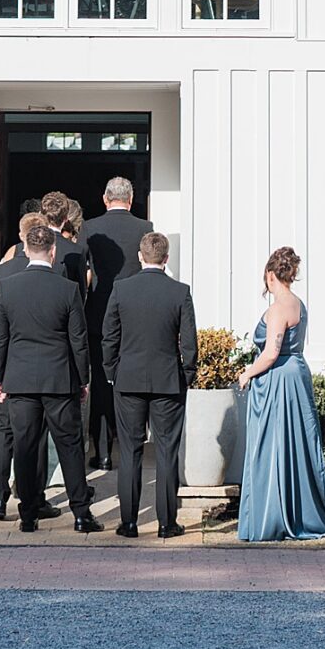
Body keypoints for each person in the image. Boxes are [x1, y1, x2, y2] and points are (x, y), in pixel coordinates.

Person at [0, 222, 101, 534]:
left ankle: (28, 515)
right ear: (53, 252)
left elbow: (0, 339)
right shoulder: (68, 289)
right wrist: (83, 379)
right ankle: (81, 514)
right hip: (59, 380)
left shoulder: (8, 288)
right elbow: (78, 341)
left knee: (25, 447)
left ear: (25, 250)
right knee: (70, 447)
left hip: (21, 379)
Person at [236, 245, 325, 541]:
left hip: (279, 380)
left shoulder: (278, 308)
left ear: (271, 275)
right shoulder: (298, 303)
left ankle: (273, 514)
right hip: (297, 372)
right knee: (296, 443)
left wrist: (247, 372)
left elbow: (271, 353)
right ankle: (300, 507)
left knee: (272, 446)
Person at [0, 209, 64, 519]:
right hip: (36, 369)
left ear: (22, 237)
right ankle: (31, 495)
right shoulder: (53, 270)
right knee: (34, 435)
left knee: (4, 432)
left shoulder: (5, 271)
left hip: (9, 365)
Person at [102, 229, 197, 539]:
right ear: (166, 259)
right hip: (168, 380)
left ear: (140, 256)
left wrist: (111, 370)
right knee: (167, 451)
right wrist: (187, 375)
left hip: (128, 378)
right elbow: (189, 343)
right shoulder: (179, 291)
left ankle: (129, 522)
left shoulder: (121, 289)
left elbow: (109, 336)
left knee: (130, 451)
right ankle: (167, 523)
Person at [80, 175, 153, 464]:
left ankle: (103, 454)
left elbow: (79, 271)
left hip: (99, 314)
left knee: (99, 384)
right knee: (129, 383)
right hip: (134, 316)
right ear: (131, 200)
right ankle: (130, 447)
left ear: (105, 199)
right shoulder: (145, 227)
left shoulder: (90, 227)